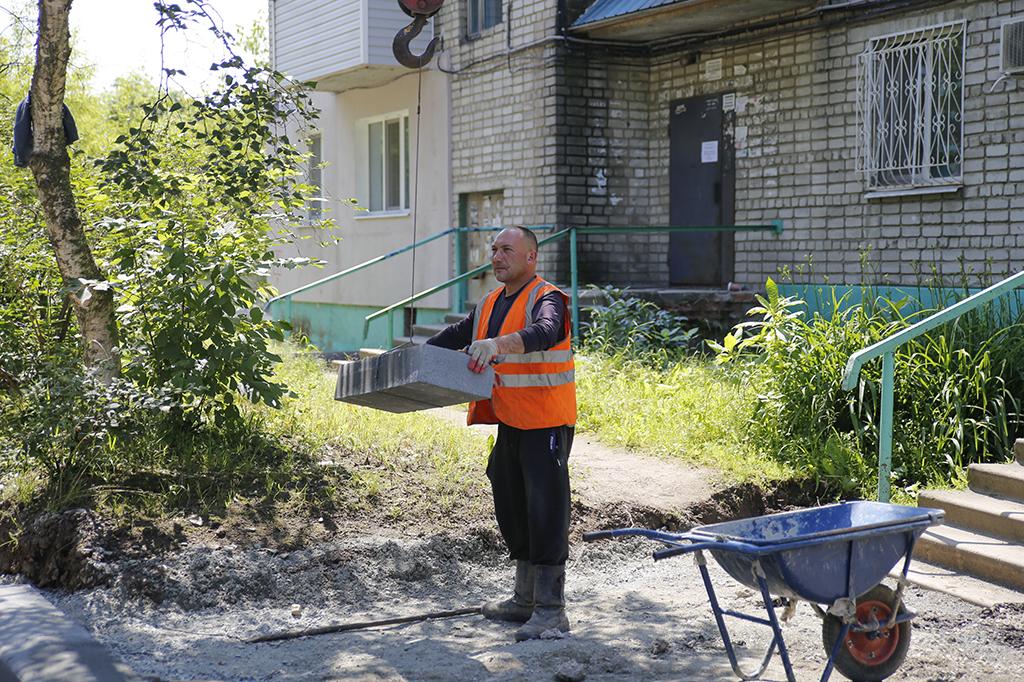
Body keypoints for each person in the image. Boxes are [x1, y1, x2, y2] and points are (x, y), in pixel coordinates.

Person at [426, 225, 576, 641]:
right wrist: (412, 358)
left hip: (546, 422)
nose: (497, 256)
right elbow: (456, 335)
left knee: (545, 510)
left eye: (507, 249)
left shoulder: (547, 298)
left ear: (531, 257)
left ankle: (551, 610)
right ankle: (524, 599)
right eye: (494, 249)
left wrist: (497, 345)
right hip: (510, 420)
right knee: (512, 503)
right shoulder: (490, 302)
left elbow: (545, 332)